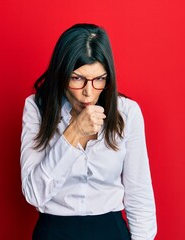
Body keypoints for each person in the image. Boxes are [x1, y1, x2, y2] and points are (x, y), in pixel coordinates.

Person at [20, 23, 157, 240]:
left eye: (99, 79)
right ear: (61, 74)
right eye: (77, 78)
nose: (88, 93)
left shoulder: (127, 112)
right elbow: (34, 194)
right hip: (54, 231)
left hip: (110, 230)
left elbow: (139, 193)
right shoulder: (36, 108)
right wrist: (73, 133)